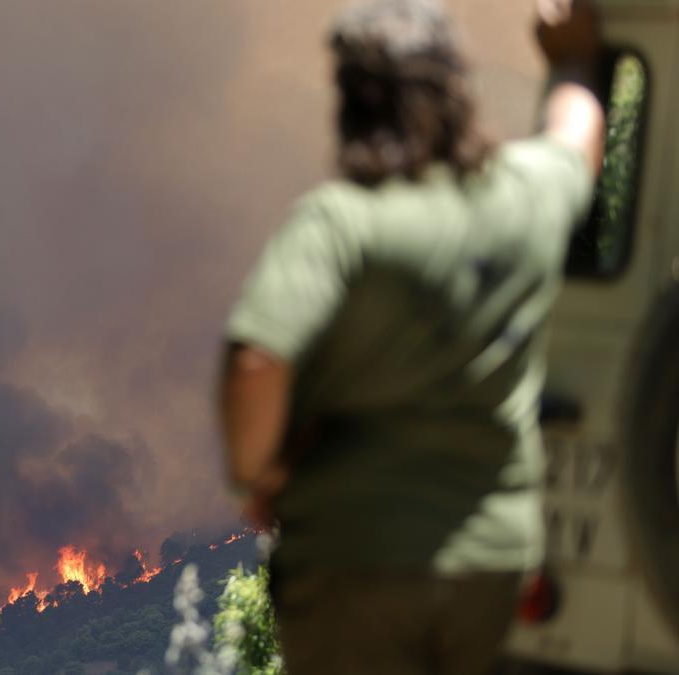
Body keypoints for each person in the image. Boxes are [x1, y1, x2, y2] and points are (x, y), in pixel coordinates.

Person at [217, 0, 605, 673]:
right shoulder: (521, 200)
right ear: (456, 91)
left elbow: (257, 360)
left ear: (352, 107)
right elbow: (575, 137)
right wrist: (574, 57)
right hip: (489, 565)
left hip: (354, 561)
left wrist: (259, 471)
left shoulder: (340, 223)